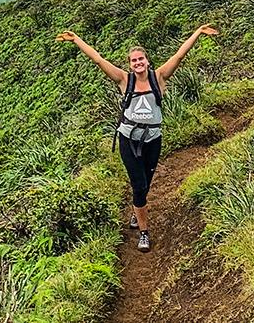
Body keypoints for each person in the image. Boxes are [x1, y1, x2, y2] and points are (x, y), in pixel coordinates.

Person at [57, 24, 219, 252]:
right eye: (134, 61)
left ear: (147, 61)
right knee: (139, 184)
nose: (138, 63)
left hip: (153, 139)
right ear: (130, 65)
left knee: (145, 184)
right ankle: (143, 232)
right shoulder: (125, 80)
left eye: (141, 59)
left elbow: (180, 55)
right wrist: (76, 40)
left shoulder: (159, 77)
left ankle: (136, 210)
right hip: (128, 139)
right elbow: (98, 60)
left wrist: (198, 32)